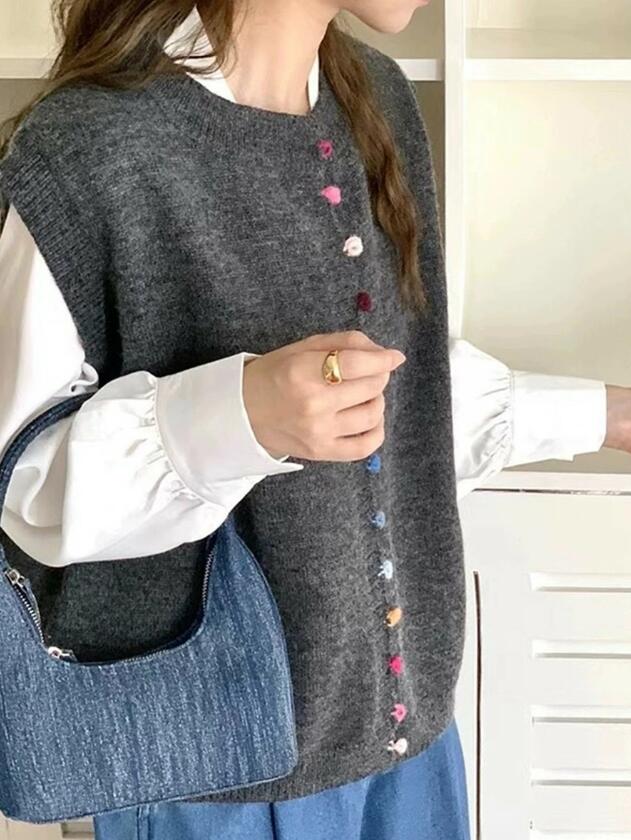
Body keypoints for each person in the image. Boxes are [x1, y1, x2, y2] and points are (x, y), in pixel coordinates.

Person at [0, 2, 628, 838]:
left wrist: (606, 415)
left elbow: (400, 387)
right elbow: (22, 481)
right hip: (213, 769)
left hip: (405, 742)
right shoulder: (88, 147)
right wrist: (239, 416)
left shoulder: (374, 96)